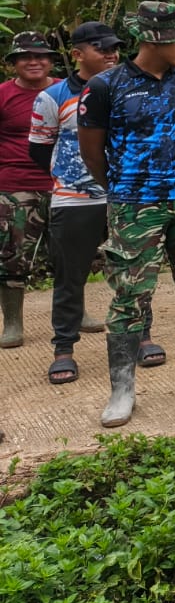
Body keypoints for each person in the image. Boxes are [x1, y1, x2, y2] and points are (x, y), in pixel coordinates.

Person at [78, 2, 175, 427]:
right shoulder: (106, 86)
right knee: (129, 296)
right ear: (154, 38)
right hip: (134, 204)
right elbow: (92, 151)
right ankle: (122, 390)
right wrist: (123, 189)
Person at [30, 22, 121, 382]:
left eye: (115, 48)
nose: (112, 54)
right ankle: (64, 349)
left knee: (132, 272)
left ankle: (140, 337)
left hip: (125, 196)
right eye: (103, 49)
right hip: (73, 199)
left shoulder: (128, 90)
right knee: (69, 277)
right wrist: (69, 177)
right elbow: (39, 148)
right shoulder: (52, 97)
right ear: (78, 54)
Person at [1, 30, 61, 351]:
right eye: (25, 56)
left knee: (70, 253)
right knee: (11, 255)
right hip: (15, 186)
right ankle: (12, 322)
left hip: (63, 184)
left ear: (50, 60)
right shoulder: (2, 95)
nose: (34, 61)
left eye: (40, 56)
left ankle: (74, 314)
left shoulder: (66, 90)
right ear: (14, 63)